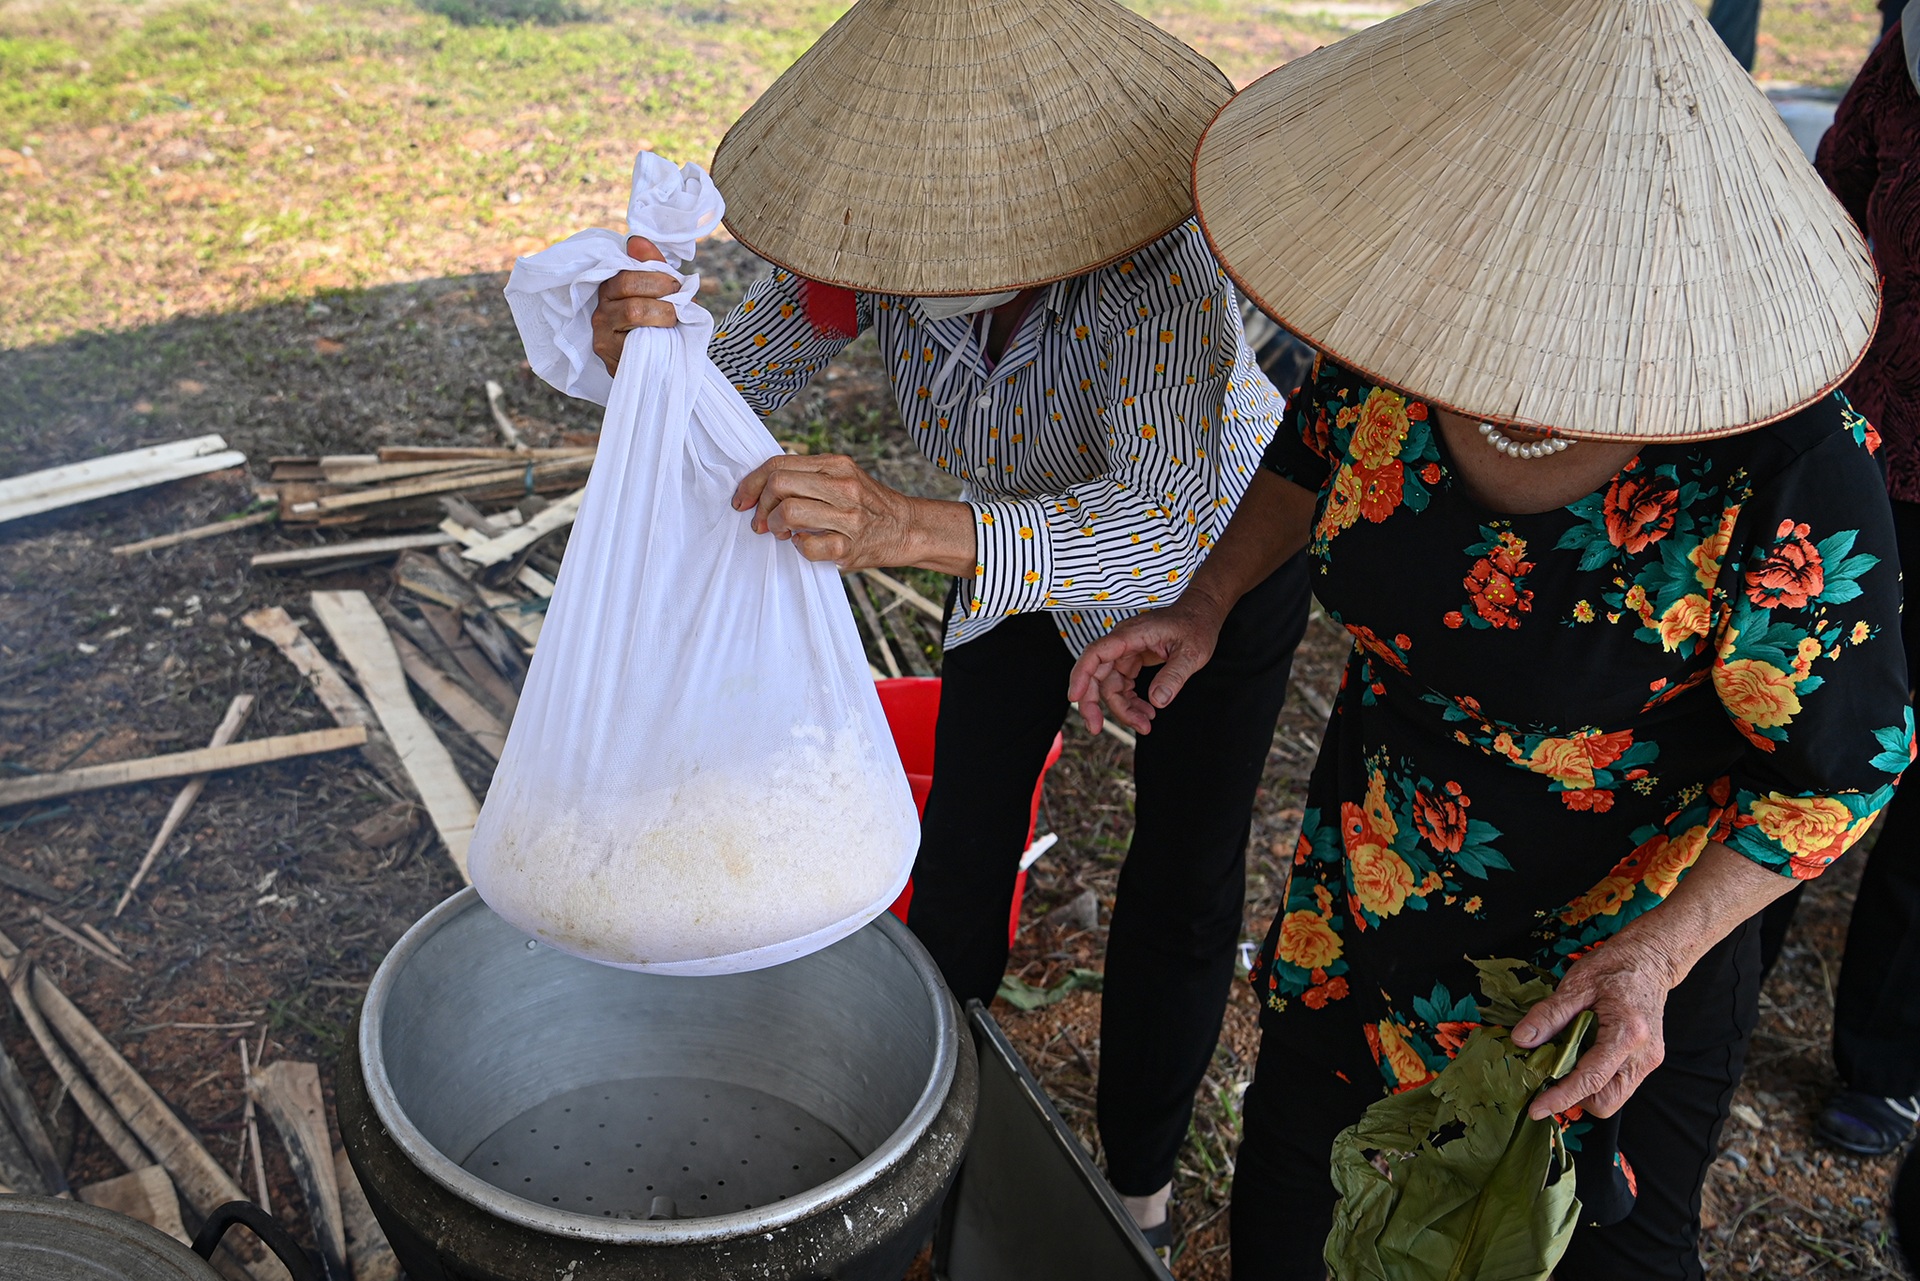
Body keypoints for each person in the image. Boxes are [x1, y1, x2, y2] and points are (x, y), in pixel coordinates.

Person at [1067, 0, 1910, 1275]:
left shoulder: (1780, 460)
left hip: (1616, 961)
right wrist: (1204, 599)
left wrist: (1659, 954)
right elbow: (1308, 451)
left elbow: (1846, 768)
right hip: (1375, 878)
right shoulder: (1409, 334)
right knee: (1301, 1216)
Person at [587, 0, 1312, 1246]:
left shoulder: (1152, 269)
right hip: (1003, 547)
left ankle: (1136, 1175)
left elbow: (1167, 525)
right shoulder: (863, 238)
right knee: (965, 828)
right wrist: (638, 356)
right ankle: (938, 1113)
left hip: (1206, 568)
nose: (909, 260)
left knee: (1184, 881)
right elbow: (736, 382)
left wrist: (910, 529)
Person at [1761, 0, 1920, 1159]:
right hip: (1862, 458)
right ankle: (1708, 983)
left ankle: (1887, 1055)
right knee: (1781, 727)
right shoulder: (1904, 64)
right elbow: (1822, 217)